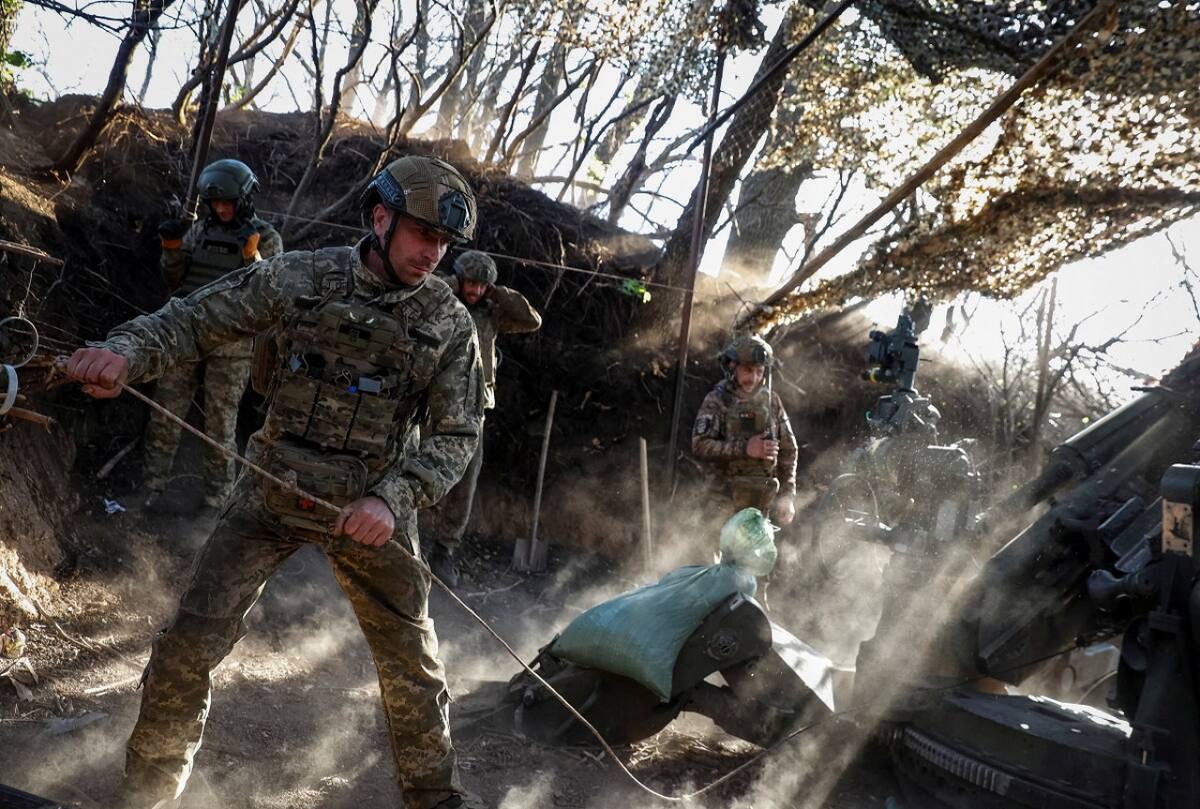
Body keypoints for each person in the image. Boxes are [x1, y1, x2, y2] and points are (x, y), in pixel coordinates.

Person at [66, 154, 485, 809]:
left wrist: (392, 496)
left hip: (371, 510)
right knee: (187, 643)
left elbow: (459, 434)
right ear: (380, 217)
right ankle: (147, 790)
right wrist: (127, 350)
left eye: (444, 242)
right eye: (423, 233)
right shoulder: (301, 276)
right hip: (270, 491)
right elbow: (194, 319)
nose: (434, 252)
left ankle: (435, 797)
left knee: (413, 662)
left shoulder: (449, 324)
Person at [147, 158, 283, 510]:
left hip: (232, 344)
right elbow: (175, 281)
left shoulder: (265, 237)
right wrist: (172, 248)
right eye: (215, 203)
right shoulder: (200, 230)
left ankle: (216, 500)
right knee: (165, 411)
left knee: (220, 425)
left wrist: (252, 256)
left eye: (228, 202)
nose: (221, 209)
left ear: (245, 199)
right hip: (188, 335)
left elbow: (272, 292)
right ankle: (151, 485)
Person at [425, 250, 541, 586]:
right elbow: (421, 289)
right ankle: (404, 534)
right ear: (459, 279)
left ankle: (444, 550)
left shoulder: (493, 313)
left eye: (481, 285)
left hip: (475, 407)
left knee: (465, 481)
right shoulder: (443, 300)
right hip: (433, 399)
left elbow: (532, 320)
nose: (474, 291)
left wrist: (498, 293)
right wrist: (451, 284)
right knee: (416, 462)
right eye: (470, 283)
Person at [691, 335, 798, 527]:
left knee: (756, 557)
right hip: (719, 506)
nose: (754, 378)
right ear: (733, 367)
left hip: (759, 507)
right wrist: (745, 449)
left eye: (759, 371)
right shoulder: (717, 400)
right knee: (712, 557)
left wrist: (787, 496)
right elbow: (699, 445)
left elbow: (789, 451)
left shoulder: (771, 402)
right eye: (748, 370)